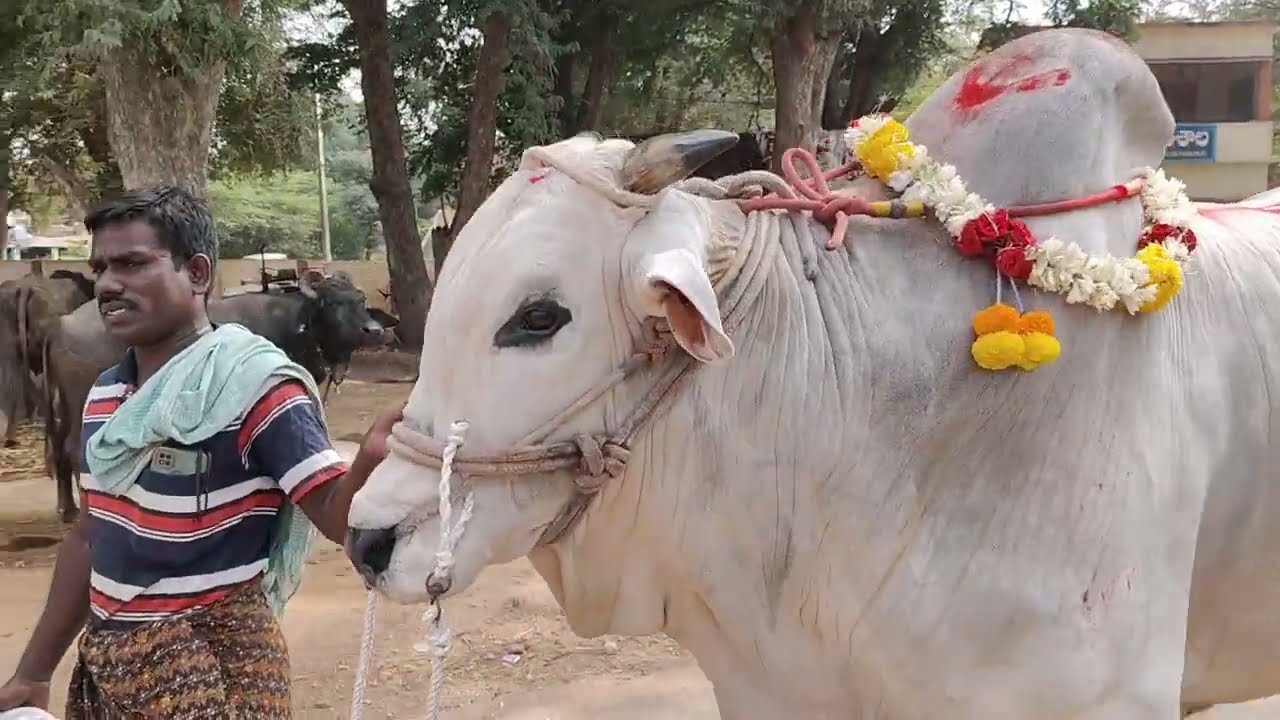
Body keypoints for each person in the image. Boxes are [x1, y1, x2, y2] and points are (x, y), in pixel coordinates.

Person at [0, 187, 401, 718]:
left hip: (218, 671)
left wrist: (371, 454)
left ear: (197, 273)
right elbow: (92, 533)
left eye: (133, 264)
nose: (108, 284)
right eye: (100, 268)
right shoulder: (106, 397)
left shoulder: (258, 387)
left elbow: (333, 515)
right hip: (109, 669)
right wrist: (33, 670)